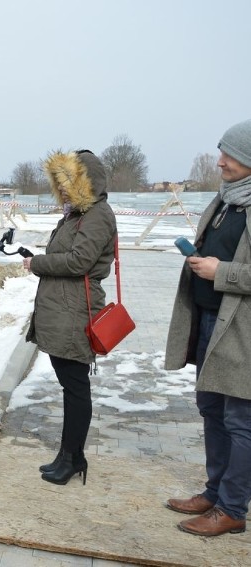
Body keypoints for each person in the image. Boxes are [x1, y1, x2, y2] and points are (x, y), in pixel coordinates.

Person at [164, 119, 251, 537]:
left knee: (241, 422)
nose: (220, 162)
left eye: (229, 155)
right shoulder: (226, 201)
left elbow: (236, 270)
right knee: (211, 411)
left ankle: (233, 509)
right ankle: (215, 493)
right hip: (208, 321)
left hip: (241, 332)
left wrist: (223, 271)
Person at [22, 150, 116, 486]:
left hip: (76, 313)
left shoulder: (97, 215)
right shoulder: (77, 215)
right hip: (64, 310)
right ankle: (69, 455)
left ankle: (73, 457)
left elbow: (79, 262)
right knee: (70, 386)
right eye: (58, 184)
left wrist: (38, 263)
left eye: (67, 183)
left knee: (76, 388)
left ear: (84, 182)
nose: (62, 190)